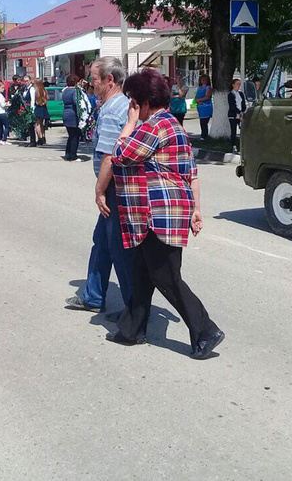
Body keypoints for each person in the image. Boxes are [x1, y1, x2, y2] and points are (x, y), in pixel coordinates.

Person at [106, 68, 224, 360]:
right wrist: (197, 210)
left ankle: (205, 329)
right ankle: (131, 329)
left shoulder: (153, 126)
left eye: (134, 102)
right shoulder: (175, 126)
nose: (133, 107)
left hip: (157, 214)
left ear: (144, 102)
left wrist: (130, 123)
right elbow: (191, 173)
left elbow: (120, 153)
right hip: (167, 212)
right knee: (142, 272)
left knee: (166, 276)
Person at [64, 57, 134, 316]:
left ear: (109, 80)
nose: (90, 84)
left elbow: (109, 156)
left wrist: (100, 190)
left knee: (119, 249)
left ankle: (134, 310)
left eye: (94, 79)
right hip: (117, 187)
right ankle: (93, 295)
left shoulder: (113, 109)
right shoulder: (122, 105)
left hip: (114, 188)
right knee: (103, 242)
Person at [61, 74, 83, 161]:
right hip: (73, 114)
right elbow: (76, 102)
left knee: (70, 135)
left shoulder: (65, 91)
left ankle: (68, 154)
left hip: (66, 113)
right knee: (75, 136)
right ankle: (73, 155)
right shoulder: (74, 91)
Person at [227, 78, 247, 152]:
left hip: (241, 115)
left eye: (239, 84)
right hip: (233, 115)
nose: (238, 86)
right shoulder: (230, 94)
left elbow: (243, 104)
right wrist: (239, 113)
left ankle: (243, 146)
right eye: (237, 84)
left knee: (243, 130)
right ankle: (234, 147)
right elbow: (232, 106)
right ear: (233, 85)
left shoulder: (241, 94)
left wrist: (243, 112)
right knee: (233, 131)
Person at [194, 73, 213, 140]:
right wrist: (196, 100)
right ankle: (203, 135)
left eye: (205, 79)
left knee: (204, 122)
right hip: (200, 107)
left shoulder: (208, 88)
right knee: (201, 122)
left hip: (206, 107)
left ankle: (204, 136)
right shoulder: (199, 88)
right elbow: (196, 97)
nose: (204, 80)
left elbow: (208, 96)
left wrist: (199, 100)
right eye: (202, 79)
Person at [33, 79, 50, 146]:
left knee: (37, 124)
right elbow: (47, 99)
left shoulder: (36, 91)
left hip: (38, 107)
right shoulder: (44, 90)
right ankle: (43, 137)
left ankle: (39, 138)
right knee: (42, 124)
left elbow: (35, 101)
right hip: (44, 108)